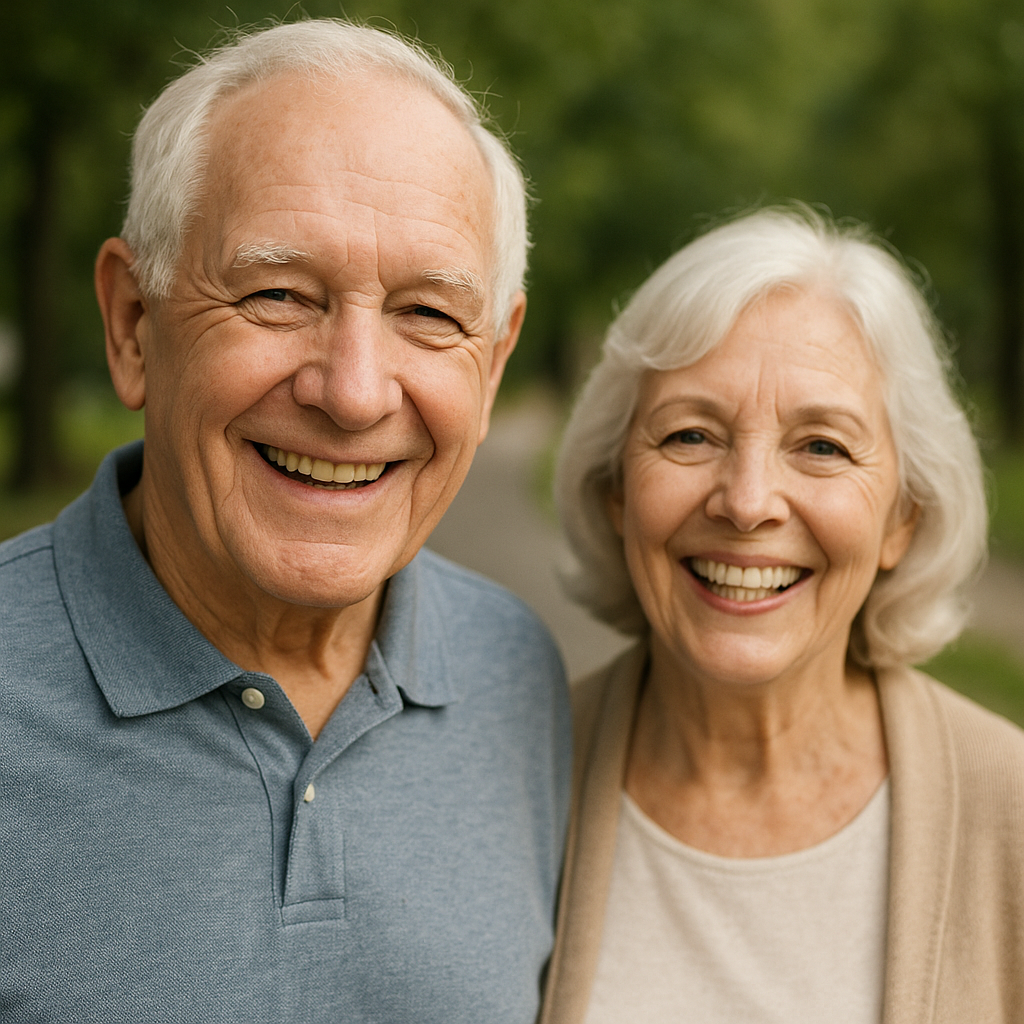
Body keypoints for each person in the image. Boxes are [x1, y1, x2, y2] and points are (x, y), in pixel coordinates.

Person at [0, 20, 571, 1023]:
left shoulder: (518, 677)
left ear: (491, 363)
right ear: (134, 321)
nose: (352, 393)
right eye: (276, 294)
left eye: (429, 314)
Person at [540, 207, 1024, 1023]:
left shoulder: (1010, 810)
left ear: (903, 516)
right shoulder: (506, 778)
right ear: (616, 488)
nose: (749, 501)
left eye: (822, 446)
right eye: (692, 435)